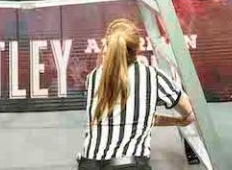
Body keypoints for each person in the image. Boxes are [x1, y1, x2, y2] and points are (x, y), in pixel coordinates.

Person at [78, 18, 195, 170]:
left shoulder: (93, 77)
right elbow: (191, 114)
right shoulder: (153, 76)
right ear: (138, 47)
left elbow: (121, 117)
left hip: (88, 164)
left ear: (107, 45)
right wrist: (179, 121)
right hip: (128, 165)